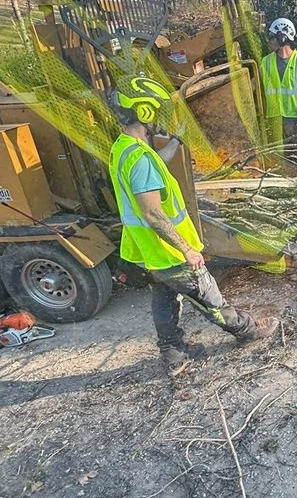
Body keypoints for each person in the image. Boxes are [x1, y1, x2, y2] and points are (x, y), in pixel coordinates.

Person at [108, 75, 277, 377]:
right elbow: (152, 214)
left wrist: (175, 141)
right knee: (210, 297)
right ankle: (249, 331)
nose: (160, 116)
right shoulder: (139, 159)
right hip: (170, 252)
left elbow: (155, 165)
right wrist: (186, 249)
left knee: (163, 298)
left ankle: (173, 356)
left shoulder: (125, 149)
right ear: (143, 111)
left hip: (153, 254)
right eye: (156, 110)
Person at [260, 17, 297, 166]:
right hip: (274, 120)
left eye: (272, 37)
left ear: (282, 37)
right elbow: (256, 86)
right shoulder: (266, 62)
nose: (269, 41)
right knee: (278, 165)